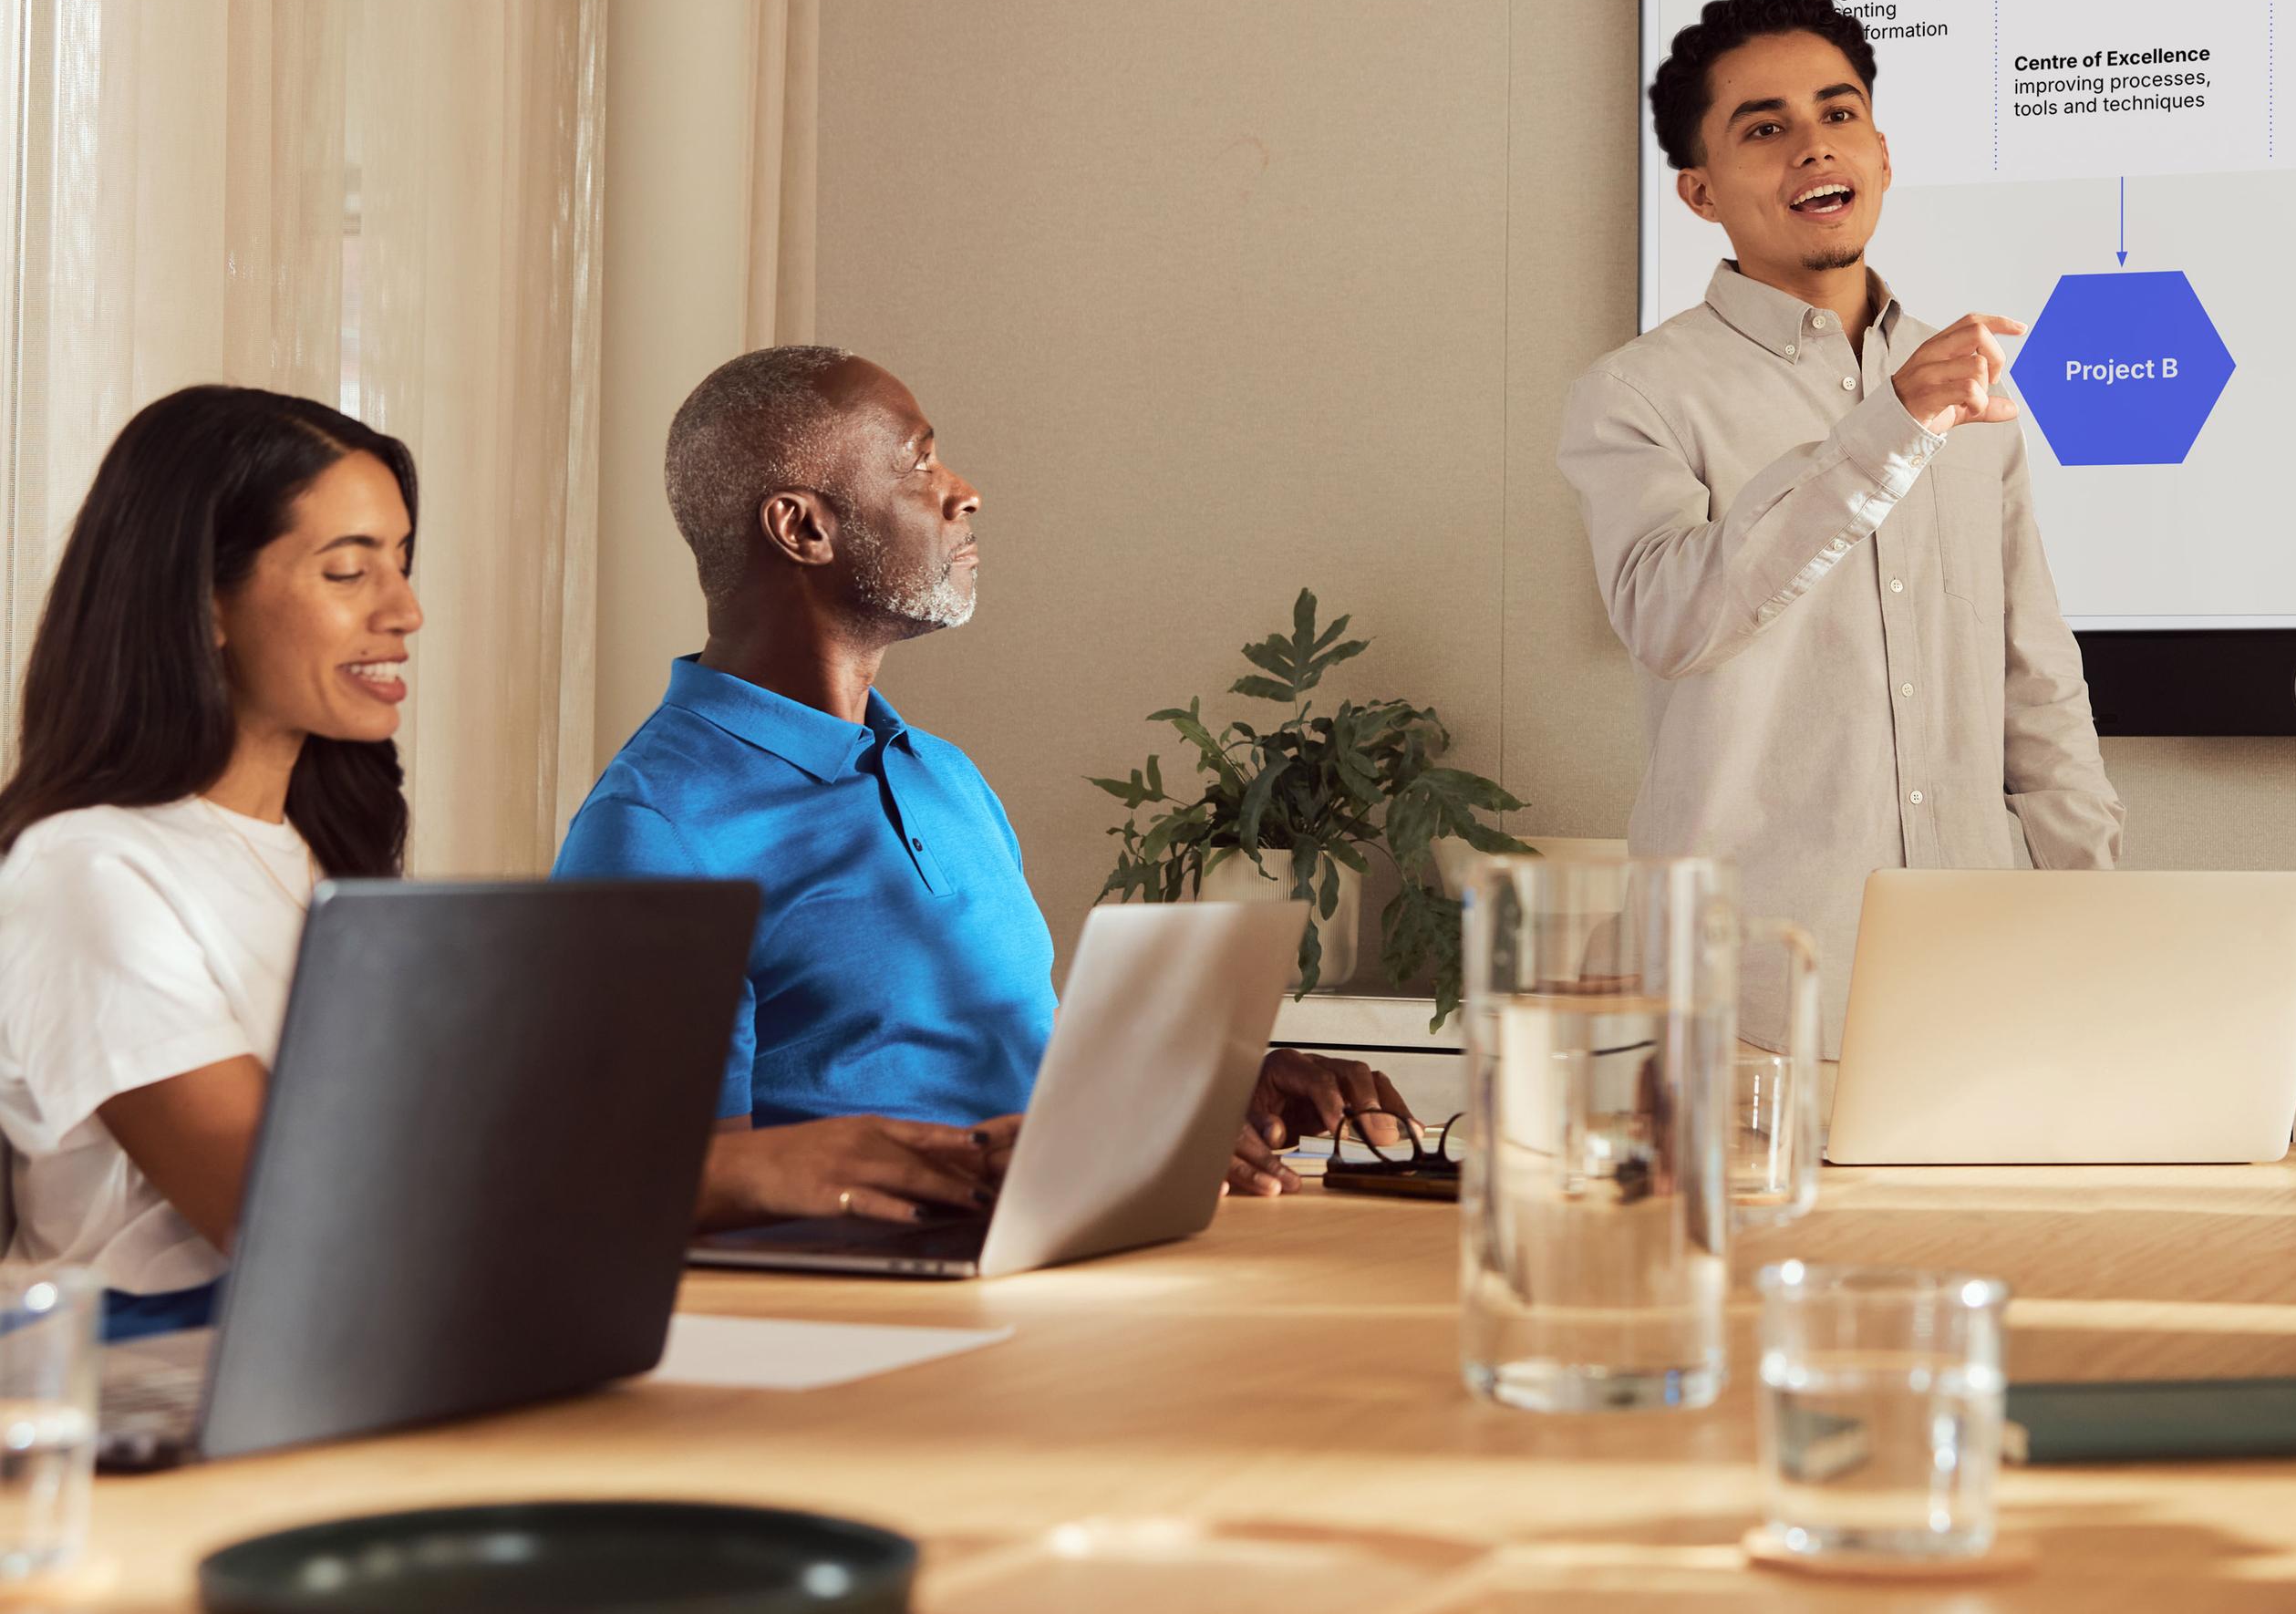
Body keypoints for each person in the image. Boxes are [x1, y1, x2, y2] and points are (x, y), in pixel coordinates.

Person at [0, 388, 998, 1340]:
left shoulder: (309, 859)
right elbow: (294, 1222)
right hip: (156, 1388)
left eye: (401, 561)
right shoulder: (88, 873)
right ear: (201, 600)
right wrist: (730, 1174)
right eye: (348, 571)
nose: (405, 611)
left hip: (362, 1356)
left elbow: (422, 1184)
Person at [555, 347, 1411, 1197]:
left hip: (1052, 1271)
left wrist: (1216, 1092)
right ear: (803, 528)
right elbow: (657, 1195)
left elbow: (1015, 1066)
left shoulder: (944, 775)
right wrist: (981, 1173)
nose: (964, 492)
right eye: (920, 461)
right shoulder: (656, 827)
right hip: (870, 1316)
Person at [1557, 0, 2123, 1074]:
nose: (1812, 146)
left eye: (1839, 111)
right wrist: (1888, 428)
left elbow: (2036, 682)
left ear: (1880, 150)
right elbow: (1673, 620)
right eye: (1763, 128)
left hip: (1978, 988)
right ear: (1699, 190)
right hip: (1745, 1013)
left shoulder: (1973, 390)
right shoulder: (1637, 394)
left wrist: (2094, 916)